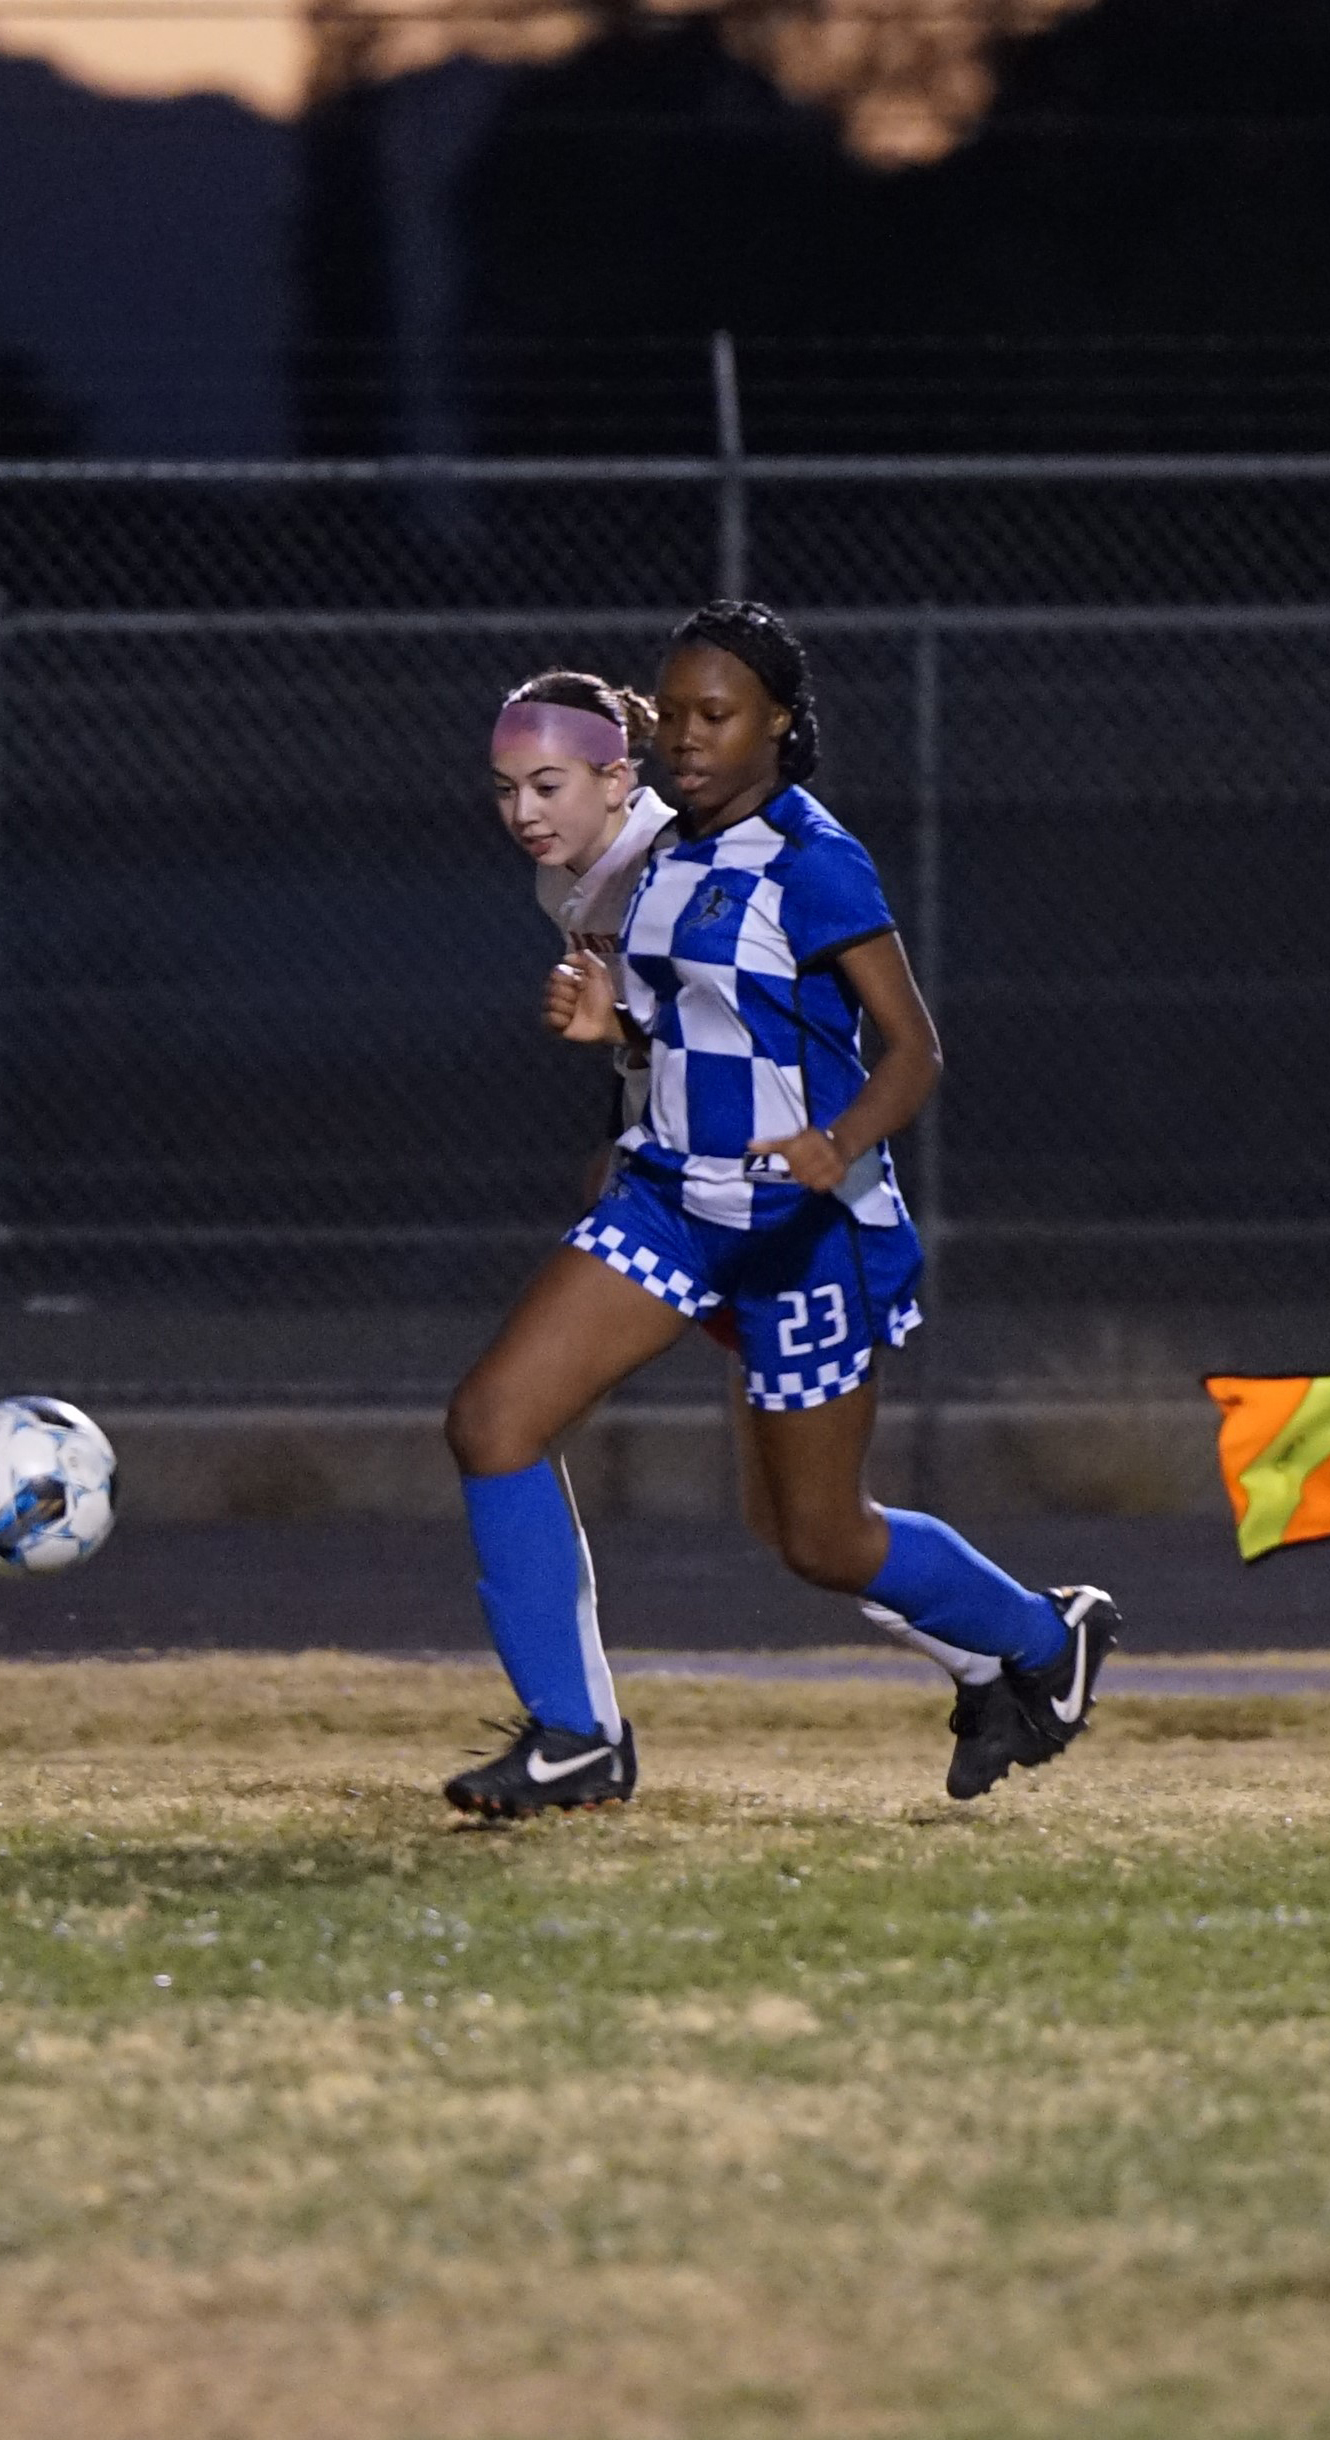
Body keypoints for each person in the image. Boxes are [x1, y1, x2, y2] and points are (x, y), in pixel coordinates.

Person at [439, 602, 1116, 1816]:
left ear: (779, 725)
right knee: (493, 1418)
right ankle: (575, 1734)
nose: (693, 737)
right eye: (680, 712)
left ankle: (1039, 1636)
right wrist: (614, 1031)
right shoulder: (664, 858)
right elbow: (693, 1026)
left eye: (719, 714)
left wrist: (836, 1144)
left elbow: (913, 1051)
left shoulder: (813, 858)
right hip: (672, 1201)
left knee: (814, 1534)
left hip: (803, 1229)